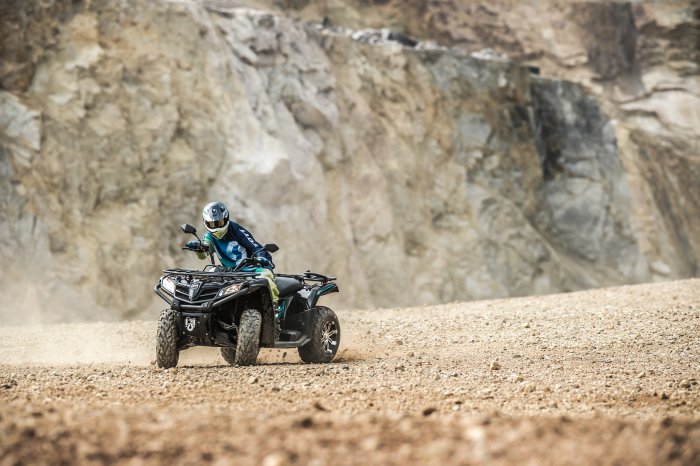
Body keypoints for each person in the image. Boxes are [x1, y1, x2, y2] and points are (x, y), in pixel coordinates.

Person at [186, 201, 279, 305]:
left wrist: (263, 258)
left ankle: (275, 306)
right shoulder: (209, 237)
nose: (217, 227)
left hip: (248, 269)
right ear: (206, 223)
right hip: (228, 271)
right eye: (212, 224)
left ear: (226, 219)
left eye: (220, 223)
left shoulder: (237, 231)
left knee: (266, 275)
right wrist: (198, 248)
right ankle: (207, 308)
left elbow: (255, 247)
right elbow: (204, 253)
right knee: (209, 273)